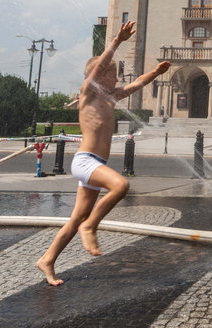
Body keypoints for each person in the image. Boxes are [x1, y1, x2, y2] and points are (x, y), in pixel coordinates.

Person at [36, 21, 171, 285]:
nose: (117, 78)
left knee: (75, 218)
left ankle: (47, 260)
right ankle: (92, 226)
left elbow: (138, 84)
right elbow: (99, 68)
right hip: (85, 162)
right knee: (121, 185)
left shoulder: (111, 96)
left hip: (94, 164)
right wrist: (117, 42)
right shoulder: (88, 92)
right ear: (99, 76)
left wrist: (156, 71)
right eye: (113, 73)